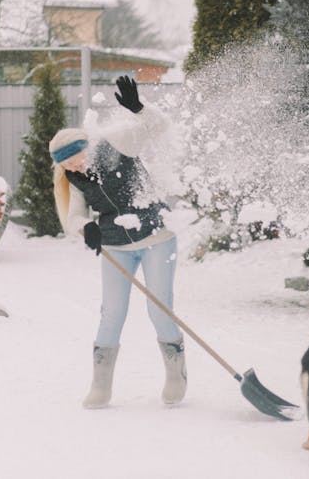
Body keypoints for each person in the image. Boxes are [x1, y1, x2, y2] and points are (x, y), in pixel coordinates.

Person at [49, 75, 186, 409]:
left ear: (85, 146)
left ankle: (176, 375)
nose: (74, 165)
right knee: (111, 313)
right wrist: (86, 229)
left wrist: (139, 108)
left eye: (75, 157)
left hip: (156, 235)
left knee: (159, 308)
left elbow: (158, 127)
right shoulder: (74, 179)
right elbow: (74, 216)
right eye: (66, 163)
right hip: (114, 246)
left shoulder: (116, 143)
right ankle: (101, 386)